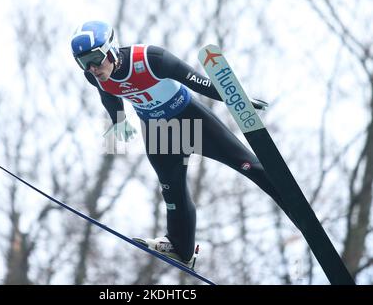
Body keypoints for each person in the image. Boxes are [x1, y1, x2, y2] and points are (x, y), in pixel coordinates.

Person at [70, 20, 295, 269]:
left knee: (247, 166)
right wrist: (117, 120)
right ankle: (181, 248)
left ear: (111, 49)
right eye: (83, 62)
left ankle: (296, 209)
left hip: (190, 120)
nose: (91, 68)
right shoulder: (95, 77)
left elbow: (200, 82)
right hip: (158, 134)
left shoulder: (152, 59)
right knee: (172, 193)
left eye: (95, 58)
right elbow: (108, 95)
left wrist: (236, 98)